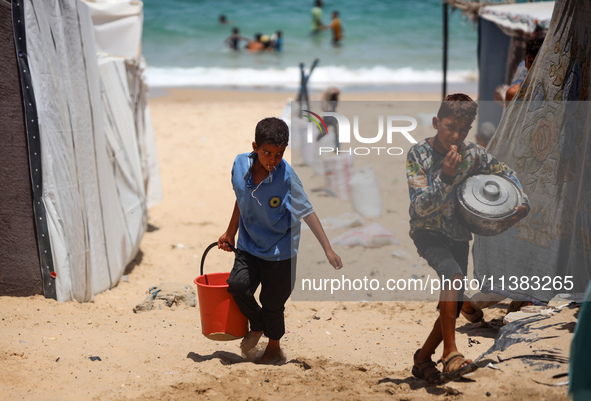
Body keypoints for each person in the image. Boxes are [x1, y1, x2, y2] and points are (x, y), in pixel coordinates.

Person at [406, 94, 530, 383]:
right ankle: (451, 353)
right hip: (427, 231)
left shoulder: (473, 155)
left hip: (459, 234)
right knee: (453, 276)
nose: (456, 135)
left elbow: (507, 173)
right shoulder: (418, 155)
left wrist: (521, 202)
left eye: (463, 130)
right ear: (437, 122)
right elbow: (420, 206)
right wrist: (446, 177)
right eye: (450, 127)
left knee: (454, 294)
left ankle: (423, 359)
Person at [218, 117, 343, 364]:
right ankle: (257, 325)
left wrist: (327, 248)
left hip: (280, 251)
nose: (273, 160)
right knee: (237, 285)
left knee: (273, 304)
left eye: (279, 154)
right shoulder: (239, 164)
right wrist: (230, 232)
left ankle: (274, 349)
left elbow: (307, 212)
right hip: (248, 245)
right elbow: (242, 199)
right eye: (267, 153)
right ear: (254, 147)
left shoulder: (286, 178)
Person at [505, 36, 545, 102]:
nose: (533, 67)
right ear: (525, 62)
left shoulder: (553, 93)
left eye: (537, 64)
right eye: (530, 62)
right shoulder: (513, 94)